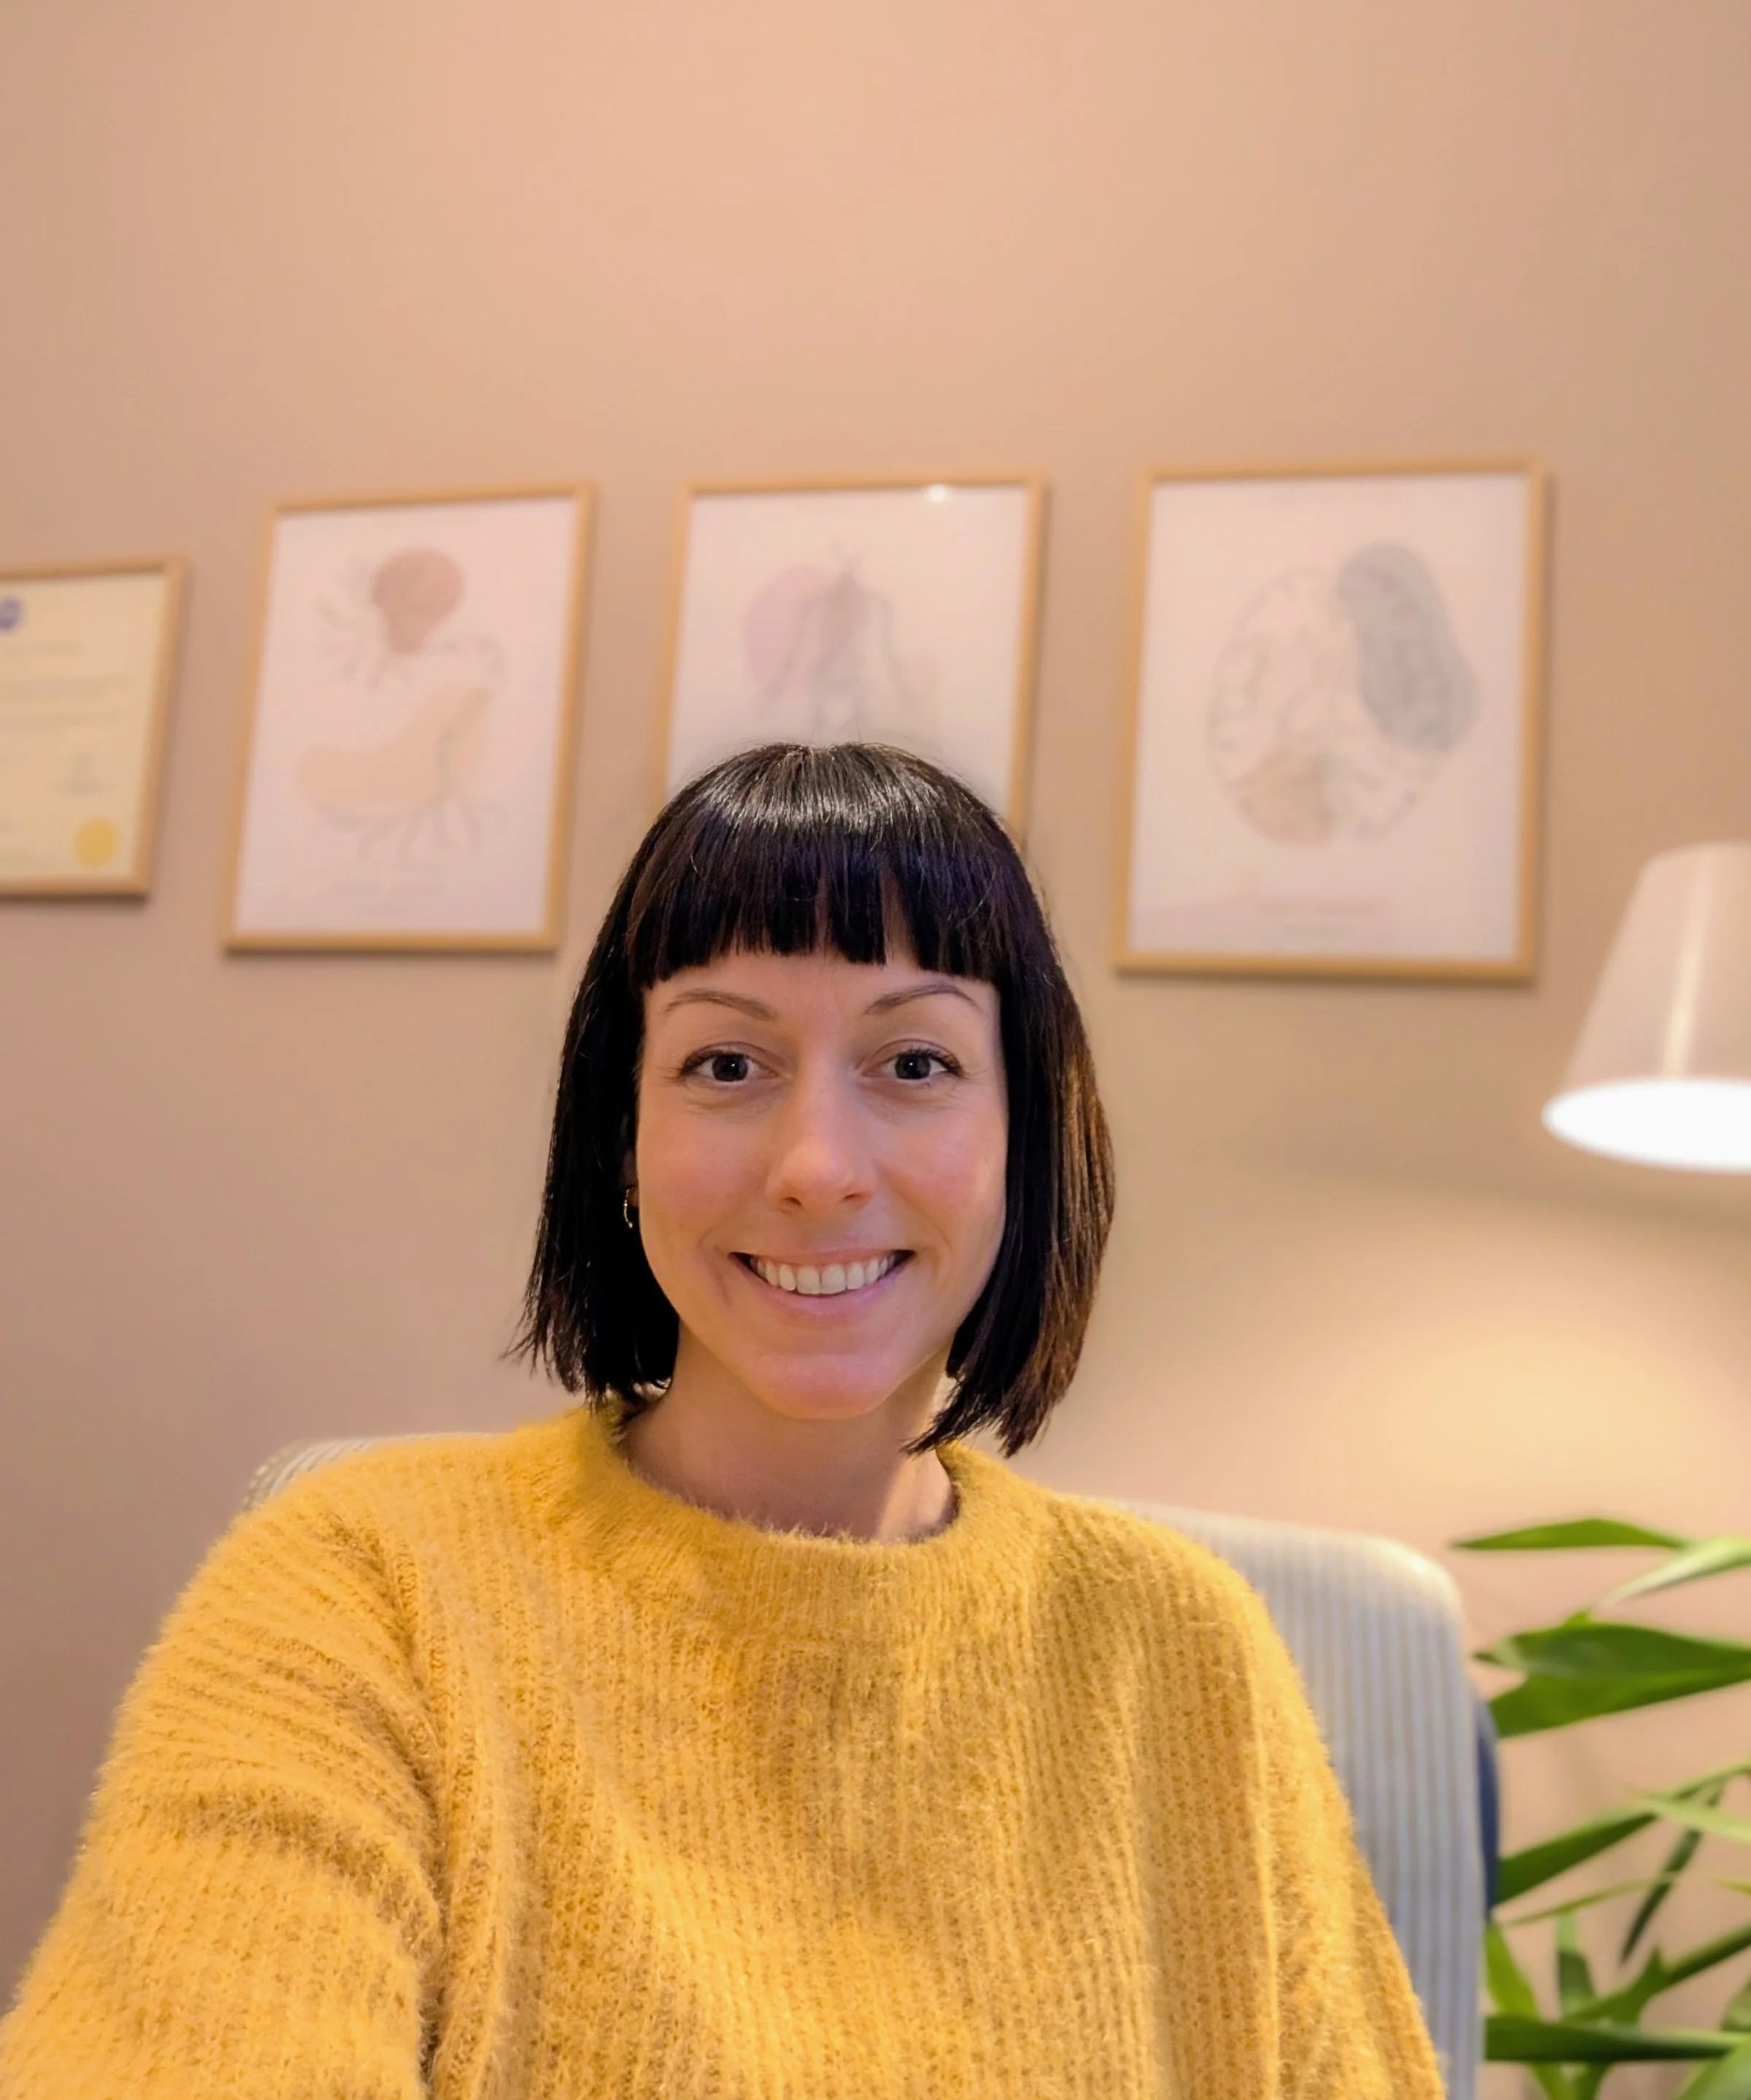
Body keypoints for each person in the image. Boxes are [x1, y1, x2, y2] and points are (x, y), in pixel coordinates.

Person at [0, 742, 1443, 2098]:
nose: (818, 1166)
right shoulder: (360, 1582)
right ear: (621, 1145)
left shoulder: (1182, 1651)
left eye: (917, 1063)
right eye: (726, 1066)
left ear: (1023, 1144)